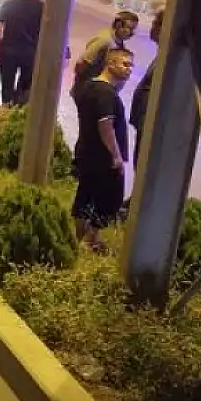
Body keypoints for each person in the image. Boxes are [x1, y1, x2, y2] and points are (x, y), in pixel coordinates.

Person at [72, 46, 133, 252]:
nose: (129, 69)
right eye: (125, 64)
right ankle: (90, 239)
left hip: (86, 151)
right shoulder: (106, 93)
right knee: (109, 199)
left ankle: (79, 237)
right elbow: (105, 124)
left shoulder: (90, 86)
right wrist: (116, 156)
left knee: (86, 194)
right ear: (111, 63)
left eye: (131, 65)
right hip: (102, 157)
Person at [0, 0, 45, 105]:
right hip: (31, 52)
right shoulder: (43, 8)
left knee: (7, 85)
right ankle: (19, 108)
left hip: (9, 51)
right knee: (26, 86)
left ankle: (5, 110)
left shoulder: (9, 4)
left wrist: (1, 44)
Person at [129, 10, 162, 171]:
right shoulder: (161, 55)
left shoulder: (166, 60)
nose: (152, 27)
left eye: (156, 23)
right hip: (143, 122)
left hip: (149, 124)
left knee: (143, 162)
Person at [75, 11, 137, 93]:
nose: (132, 33)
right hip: (91, 93)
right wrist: (86, 89)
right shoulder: (104, 40)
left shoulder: (118, 43)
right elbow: (81, 64)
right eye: (130, 28)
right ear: (118, 25)